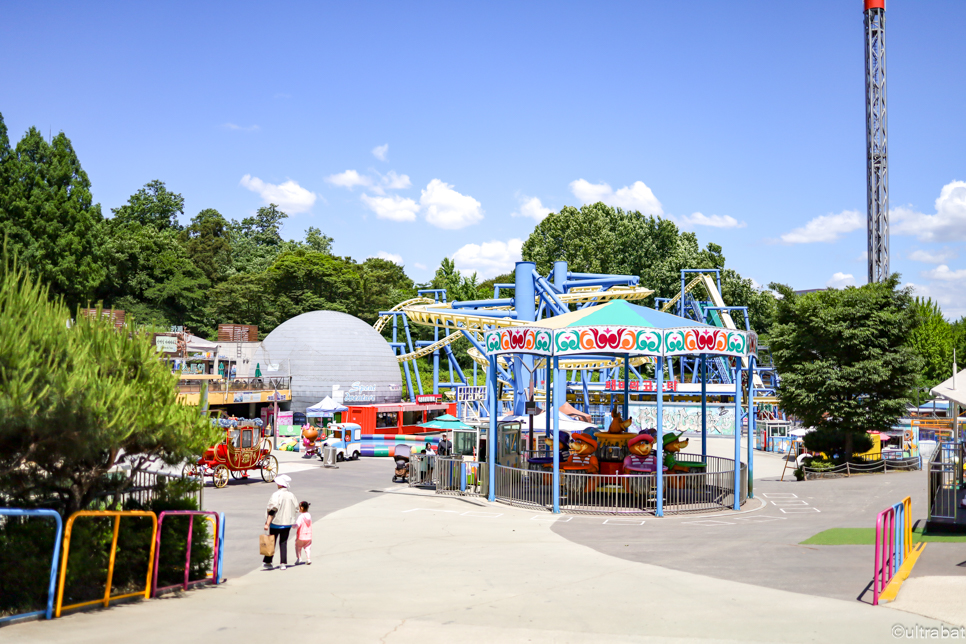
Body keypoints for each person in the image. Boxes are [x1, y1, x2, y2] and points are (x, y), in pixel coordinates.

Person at [263, 475, 299, 570]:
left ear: (279, 484)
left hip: (276, 523)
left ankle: (268, 562)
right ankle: (283, 563)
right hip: (287, 523)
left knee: (271, 542)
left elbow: (272, 509)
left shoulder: (276, 495)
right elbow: (296, 508)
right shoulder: (291, 495)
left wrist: (267, 523)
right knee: (283, 542)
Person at [295, 501, 312, 565]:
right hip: (308, 535)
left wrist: (293, 526)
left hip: (301, 535)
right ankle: (308, 559)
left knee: (298, 546)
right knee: (307, 547)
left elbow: (298, 525)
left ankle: (299, 558)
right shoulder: (309, 515)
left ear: (301, 508)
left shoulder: (301, 516)